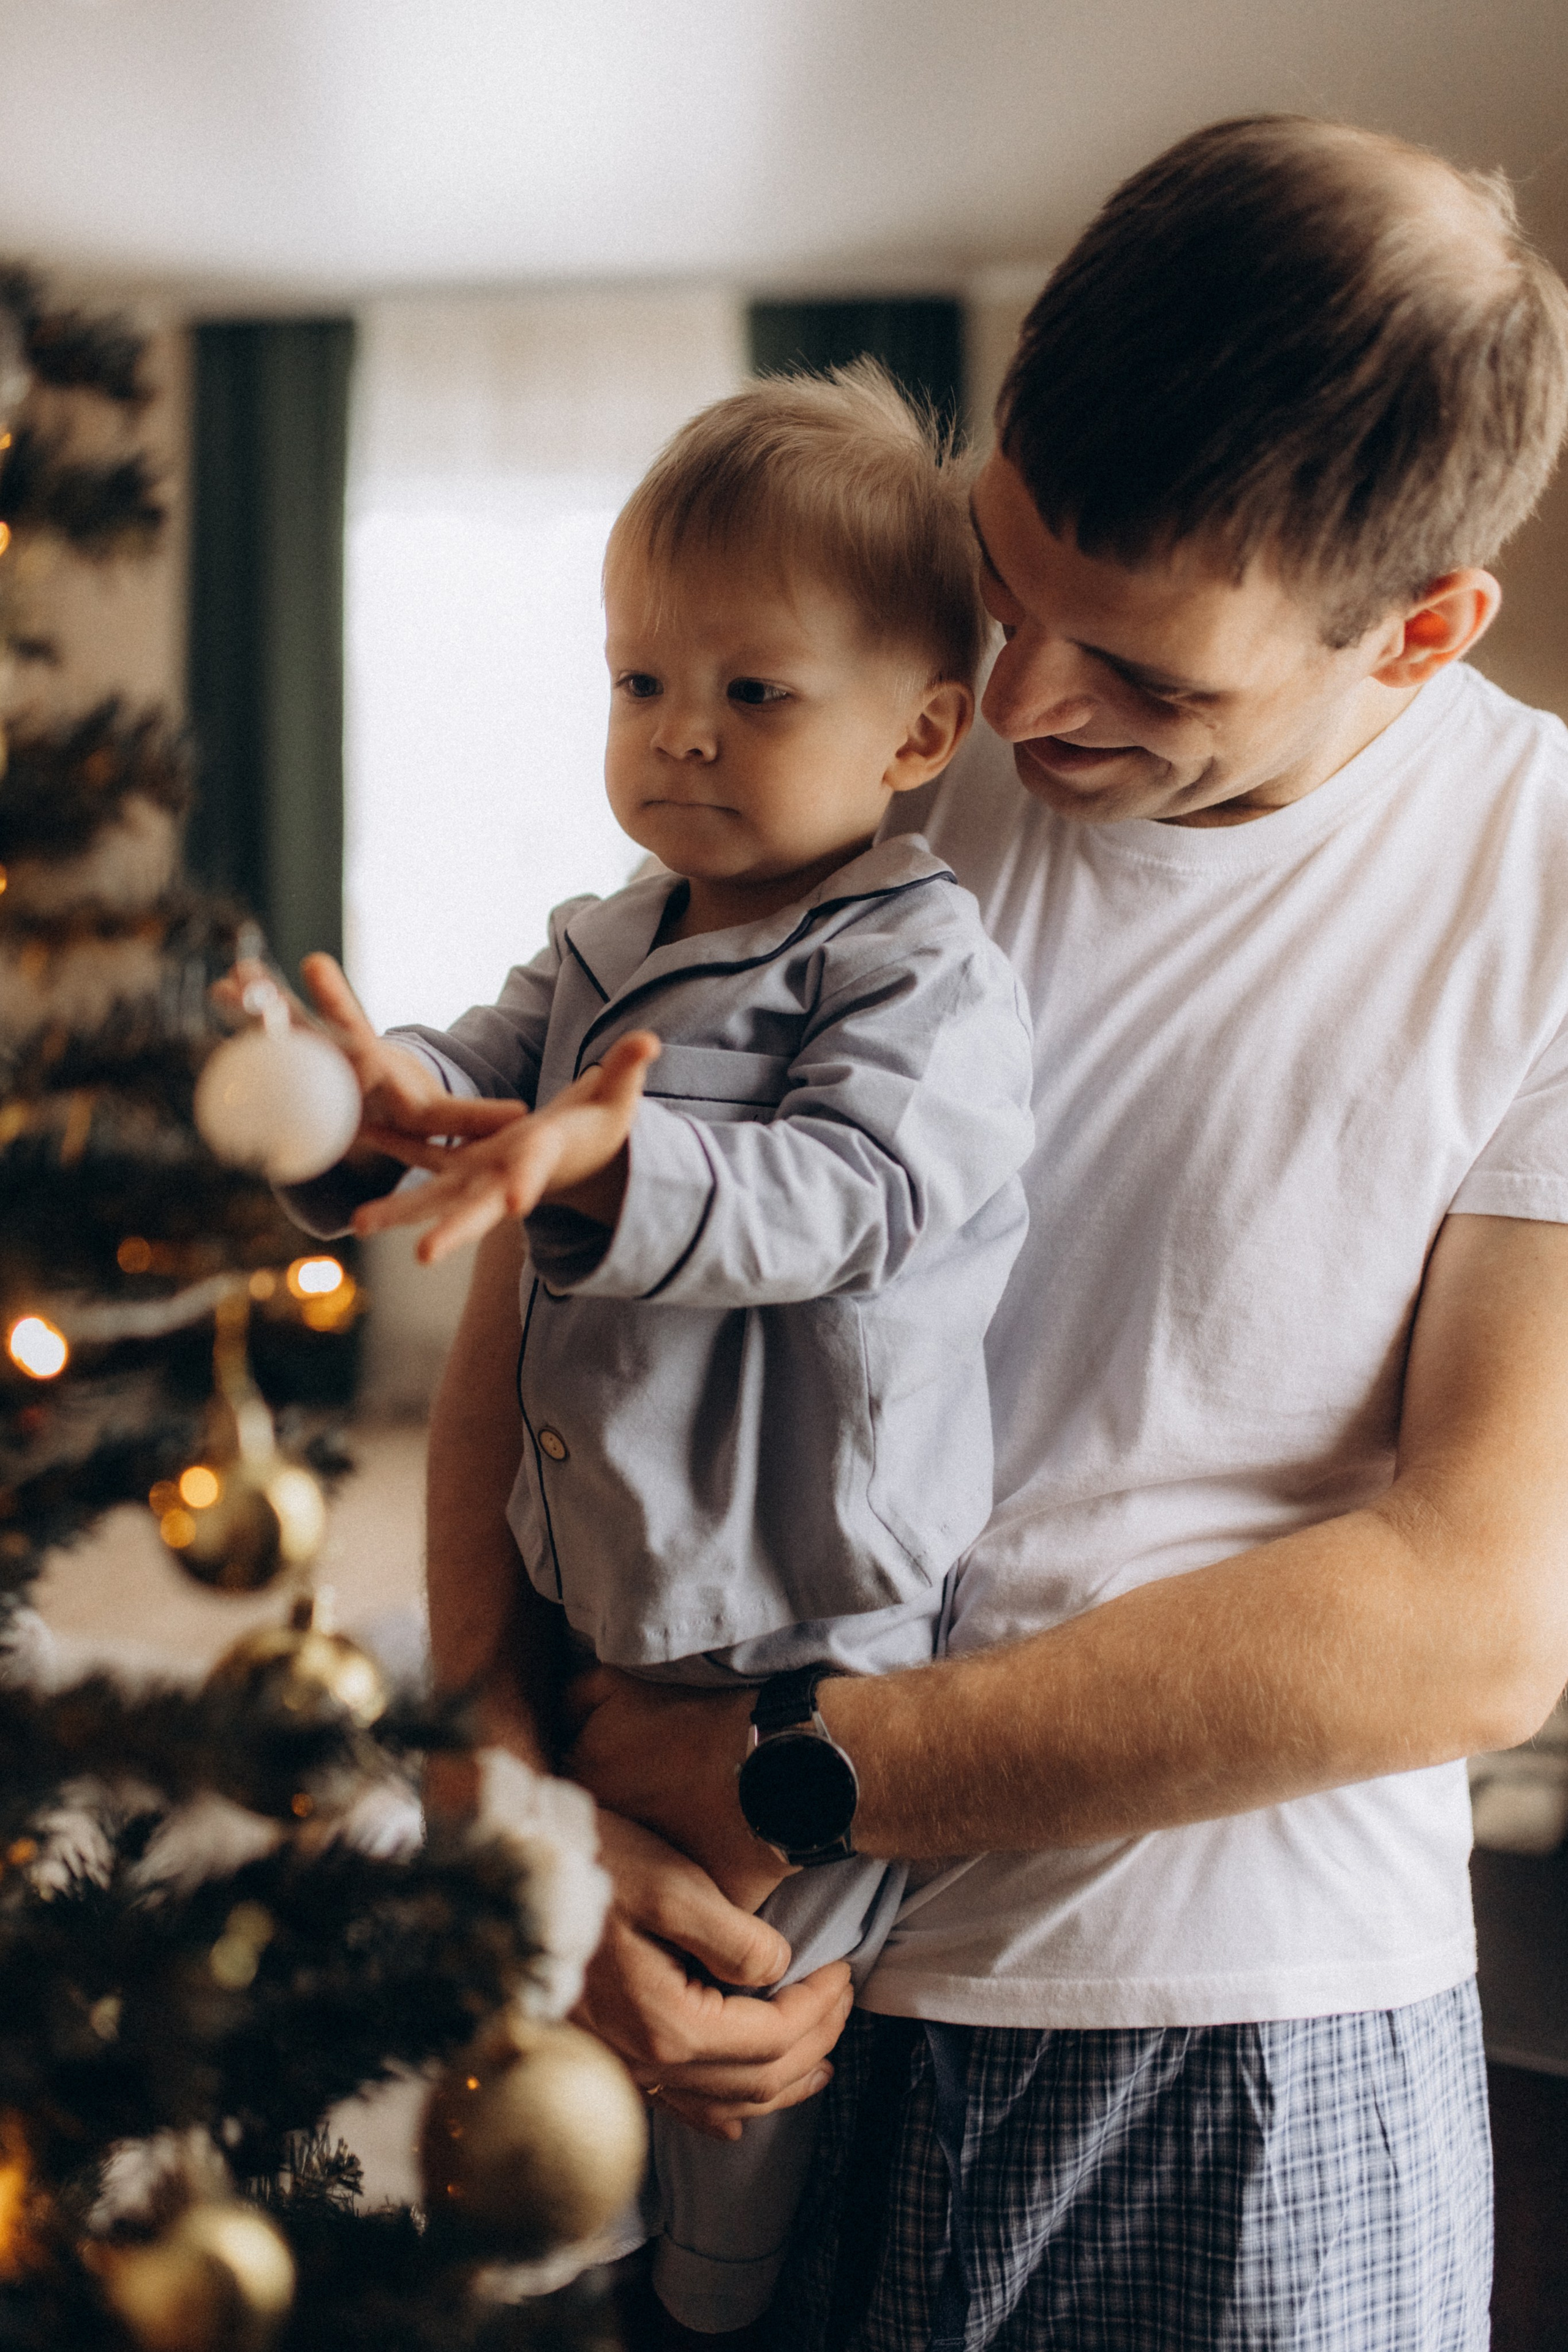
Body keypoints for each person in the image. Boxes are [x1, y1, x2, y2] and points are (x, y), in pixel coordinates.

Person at [443, 116, 1568, 2350]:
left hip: (1245, 2044)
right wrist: (512, 1799)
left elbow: (1476, 1613)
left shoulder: (1544, 892)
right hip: (734, 1998)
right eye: (1012, 575)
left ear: (1423, 632)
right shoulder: (839, 715)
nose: (1028, 702)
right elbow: (537, 1263)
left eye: (1151, 677)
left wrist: (801, 1770)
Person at [281, 368, 1035, 2337]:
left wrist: (621, 1163)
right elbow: (479, 1065)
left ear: (920, 731)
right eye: (640, 684)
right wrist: (373, 1107)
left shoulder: (919, 959)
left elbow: (858, 1194)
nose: (681, 731)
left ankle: (718, 2291)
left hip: (810, 1624)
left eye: (755, 691)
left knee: (737, 2018)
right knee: (556, 1972)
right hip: (613, 1595)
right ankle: (586, 2253)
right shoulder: (611, 935)